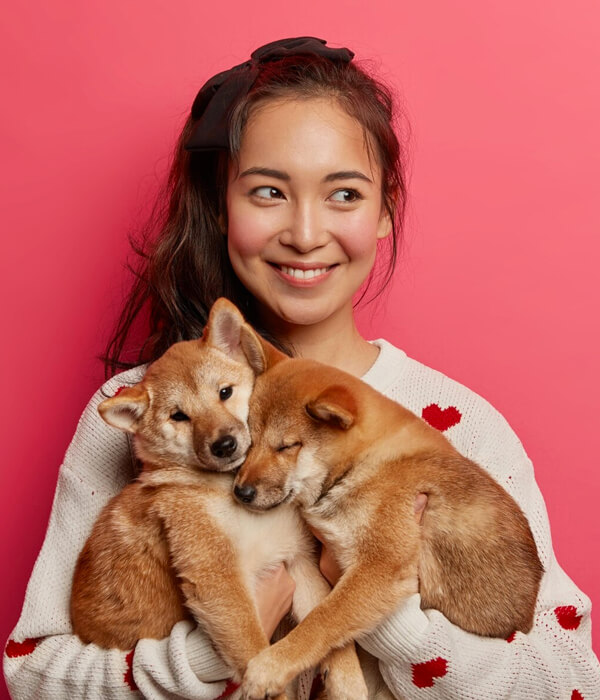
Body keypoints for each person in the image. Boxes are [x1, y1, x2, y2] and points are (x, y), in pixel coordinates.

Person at [4, 37, 600, 700]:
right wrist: (211, 654)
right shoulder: (141, 415)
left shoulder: (456, 424)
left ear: (386, 210)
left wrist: (386, 612)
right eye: (269, 192)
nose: (306, 233)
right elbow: (30, 671)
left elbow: (572, 680)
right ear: (221, 206)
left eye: (344, 193)